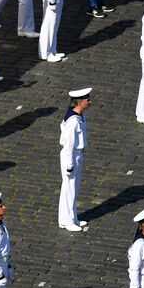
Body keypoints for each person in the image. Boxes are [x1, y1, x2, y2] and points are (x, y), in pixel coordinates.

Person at [59, 88, 92, 232]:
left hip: (77, 154)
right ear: (80, 102)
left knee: (73, 188)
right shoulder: (73, 122)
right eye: (87, 99)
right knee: (69, 189)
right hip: (71, 155)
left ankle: (72, 218)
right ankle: (67, 221)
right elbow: (68, 145)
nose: (89, 101)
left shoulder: (79, 115)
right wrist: (69, 164)